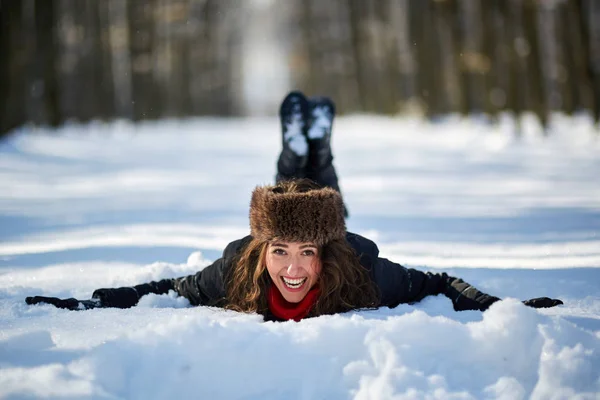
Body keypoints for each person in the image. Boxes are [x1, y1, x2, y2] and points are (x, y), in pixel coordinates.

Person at [25, 91, 563, 321]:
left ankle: (311, 149)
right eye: (279, 252)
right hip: (319, 223)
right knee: (303, 194)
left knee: (314, 199)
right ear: (261, 254)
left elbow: (438, 282)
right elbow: (165, 291)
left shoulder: (361, 269)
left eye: (307, 253)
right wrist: (87, 305)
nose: (294, 268)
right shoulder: (237, 268)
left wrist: (501, 307)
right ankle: (307, 149)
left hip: (338, 234)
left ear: (324, 255)